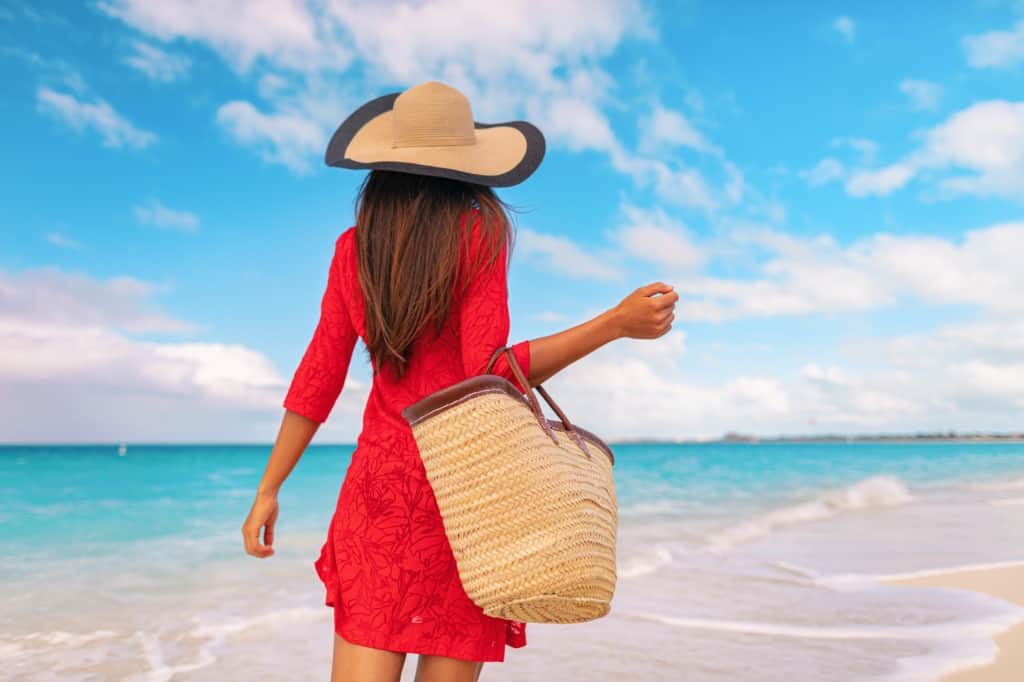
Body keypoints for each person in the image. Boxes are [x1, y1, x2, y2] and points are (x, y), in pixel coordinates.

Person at [241, 81, 678, 682]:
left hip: (380, 497)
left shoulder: (353, 250)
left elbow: (319, 375)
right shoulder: (479, 236)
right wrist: (612, 324)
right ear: (465, 165)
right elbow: (491, 372)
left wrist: (270, 487)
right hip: (468, 499)